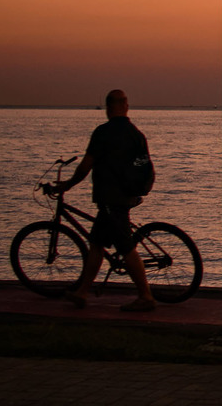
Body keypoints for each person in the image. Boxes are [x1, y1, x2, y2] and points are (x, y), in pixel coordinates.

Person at [49, 89, 156, 312]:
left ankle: (145, 296)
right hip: (127, 194)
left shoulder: (103, 132)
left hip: (111, 198)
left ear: (108, 107)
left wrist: (67, 184)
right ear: (126, 106)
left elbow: (86, 165)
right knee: (96, 244)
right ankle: (82, 292)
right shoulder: (136, 134)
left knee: (126, 247)